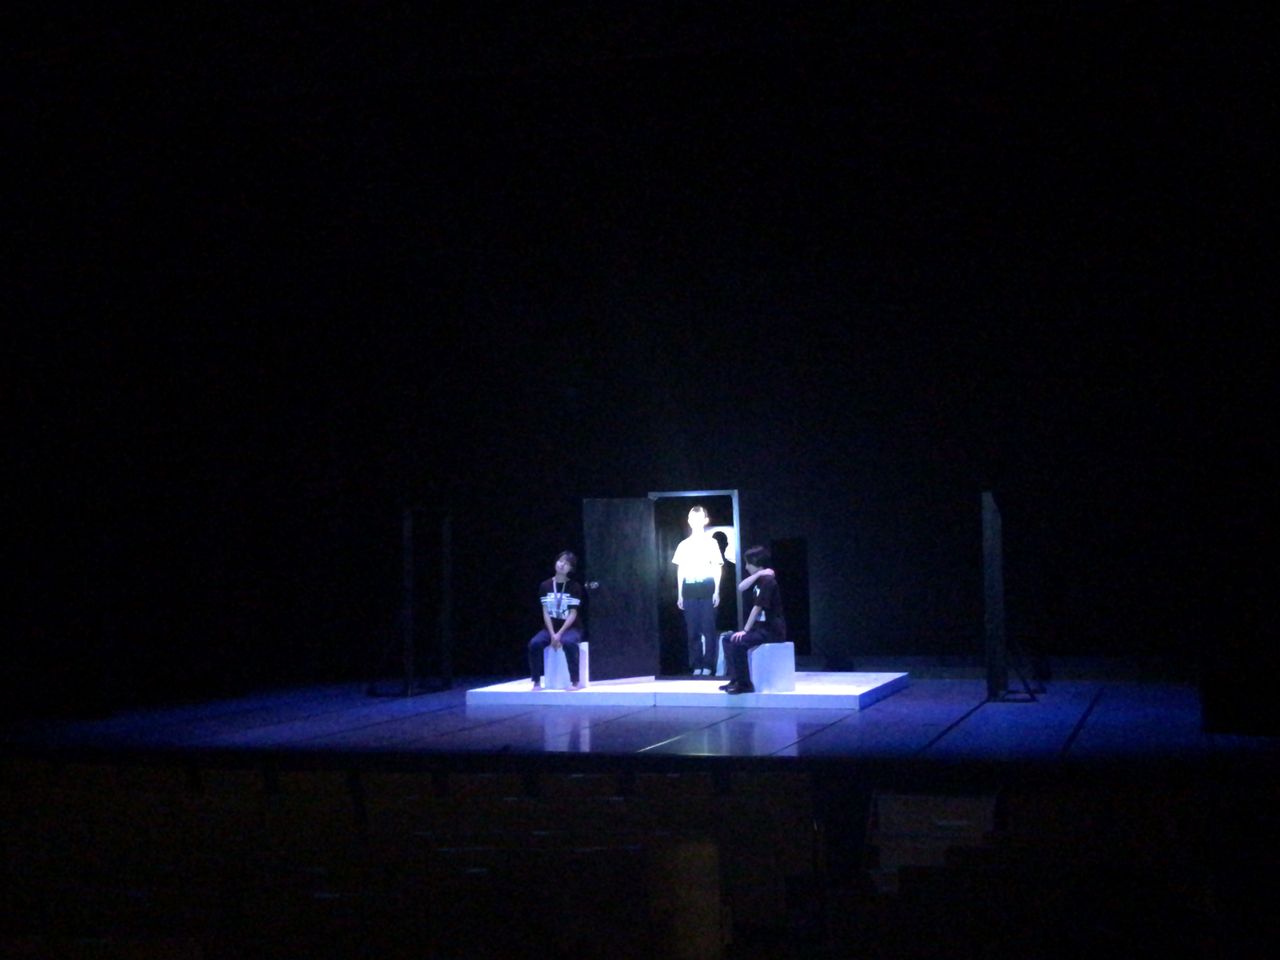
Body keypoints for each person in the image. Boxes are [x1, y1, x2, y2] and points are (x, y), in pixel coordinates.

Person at [720, 546, 785, 694]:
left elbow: (757, 608)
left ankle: (745, 684)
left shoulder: (768, 582)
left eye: (748, 563)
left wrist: (745, 630)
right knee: (727, 639)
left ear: (756, 562)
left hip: (771, 630)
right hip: (760, 628)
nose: (746, 567)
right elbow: (741, 587)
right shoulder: (760, 579)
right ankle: (735, 679)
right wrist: (759, 573)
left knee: (738, 643)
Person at [672, 505, 723, 676]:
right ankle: (696, 664)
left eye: (698, 518)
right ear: (689, 521)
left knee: (708, 629)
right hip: (689, 587)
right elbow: (680, 570)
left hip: (707, 586)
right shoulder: (684, 545)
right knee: (692, 630)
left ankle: (708, 664)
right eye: (692, 518)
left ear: (705, 520)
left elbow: (717, 567)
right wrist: (680, 594)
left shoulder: (711, 543)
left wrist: (716, 591)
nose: (695, 521)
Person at [528, 551, 584, 689]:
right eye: (560, 561)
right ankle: (536, 681)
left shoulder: (574, 587)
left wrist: (559, 634)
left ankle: (575, 681)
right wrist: (553, 633)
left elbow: (573, 613)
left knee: (569, 642)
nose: (562, 565)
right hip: (550, 628)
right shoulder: (545, 586)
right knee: (534, 643)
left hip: (571, 627)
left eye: (567, 563)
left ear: (571, 568)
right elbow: (545, 611)